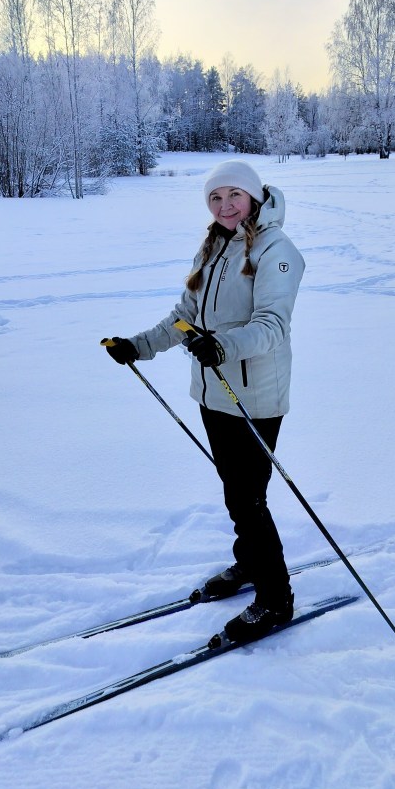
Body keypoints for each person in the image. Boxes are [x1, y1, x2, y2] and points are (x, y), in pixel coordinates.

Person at [104, 159, 305, 643]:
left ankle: (276, 600)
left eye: (233, 195)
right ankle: (250, 563)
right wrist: (139, 346)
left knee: (247, 497)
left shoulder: (278, 251)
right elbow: (184, 317)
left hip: (255, 396)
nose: (224, 205)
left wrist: (222, 346)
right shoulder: (213, 247)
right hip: (213, 394)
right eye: (215, 198)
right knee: (235, 490)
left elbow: (272, 327)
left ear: (254, 196)